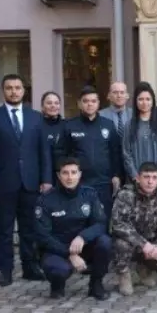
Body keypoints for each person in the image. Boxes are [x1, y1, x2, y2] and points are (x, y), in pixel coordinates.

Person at [0, 73, 52, 285]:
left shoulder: (36, 117)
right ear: (3, 91)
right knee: (4, 229)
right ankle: (5, 270)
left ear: (23, 91)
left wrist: (46, 178)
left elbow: (43, 151)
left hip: (31, 183)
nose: (14, 91)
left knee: (30, 229)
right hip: (3, 184)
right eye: (9, 88)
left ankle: (30, 266)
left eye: (18, 87)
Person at [34, 157, 111, 300]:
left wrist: (83, 237)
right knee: (59, 270)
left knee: (105, 243)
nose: (70, 177)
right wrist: (70, 254)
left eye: (73, 172)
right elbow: (42, 236)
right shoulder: (45, 199)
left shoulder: (89, 194)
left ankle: (96, 284)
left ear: (80, 174)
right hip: (56, 249)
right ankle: (57, 286)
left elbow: (100, 223)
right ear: (58, 175)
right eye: (65, 173)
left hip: (83, 246)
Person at [110, 162, 157, 295]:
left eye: (154, 177)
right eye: (146, 177)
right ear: (138, 178)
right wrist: (143, 244)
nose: (150, 181)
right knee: (121, 244)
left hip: (152, 243)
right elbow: (119, 224)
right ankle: (123, 273)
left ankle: (145, 269)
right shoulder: (126, 195)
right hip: (131, 243)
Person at [57, 86, 122, 216]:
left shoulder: (108, 125)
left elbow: (116, 153)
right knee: (80, 219)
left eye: (93, 101)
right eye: (86, 101)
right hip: (79, 183)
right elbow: (62, 155)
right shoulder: (69, 126)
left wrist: (116, 175)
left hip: (104, 183)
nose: (90, 104)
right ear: (79, 104)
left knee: (103, 219)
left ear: (98, 103)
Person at [123, 81, 157, 183]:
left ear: (153, 101)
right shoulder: (129, 125)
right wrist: (135, 175)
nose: (144, 103)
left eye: (148, 99)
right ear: (135, 102)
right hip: (136, 180)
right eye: (140, 99)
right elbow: (126, 153)